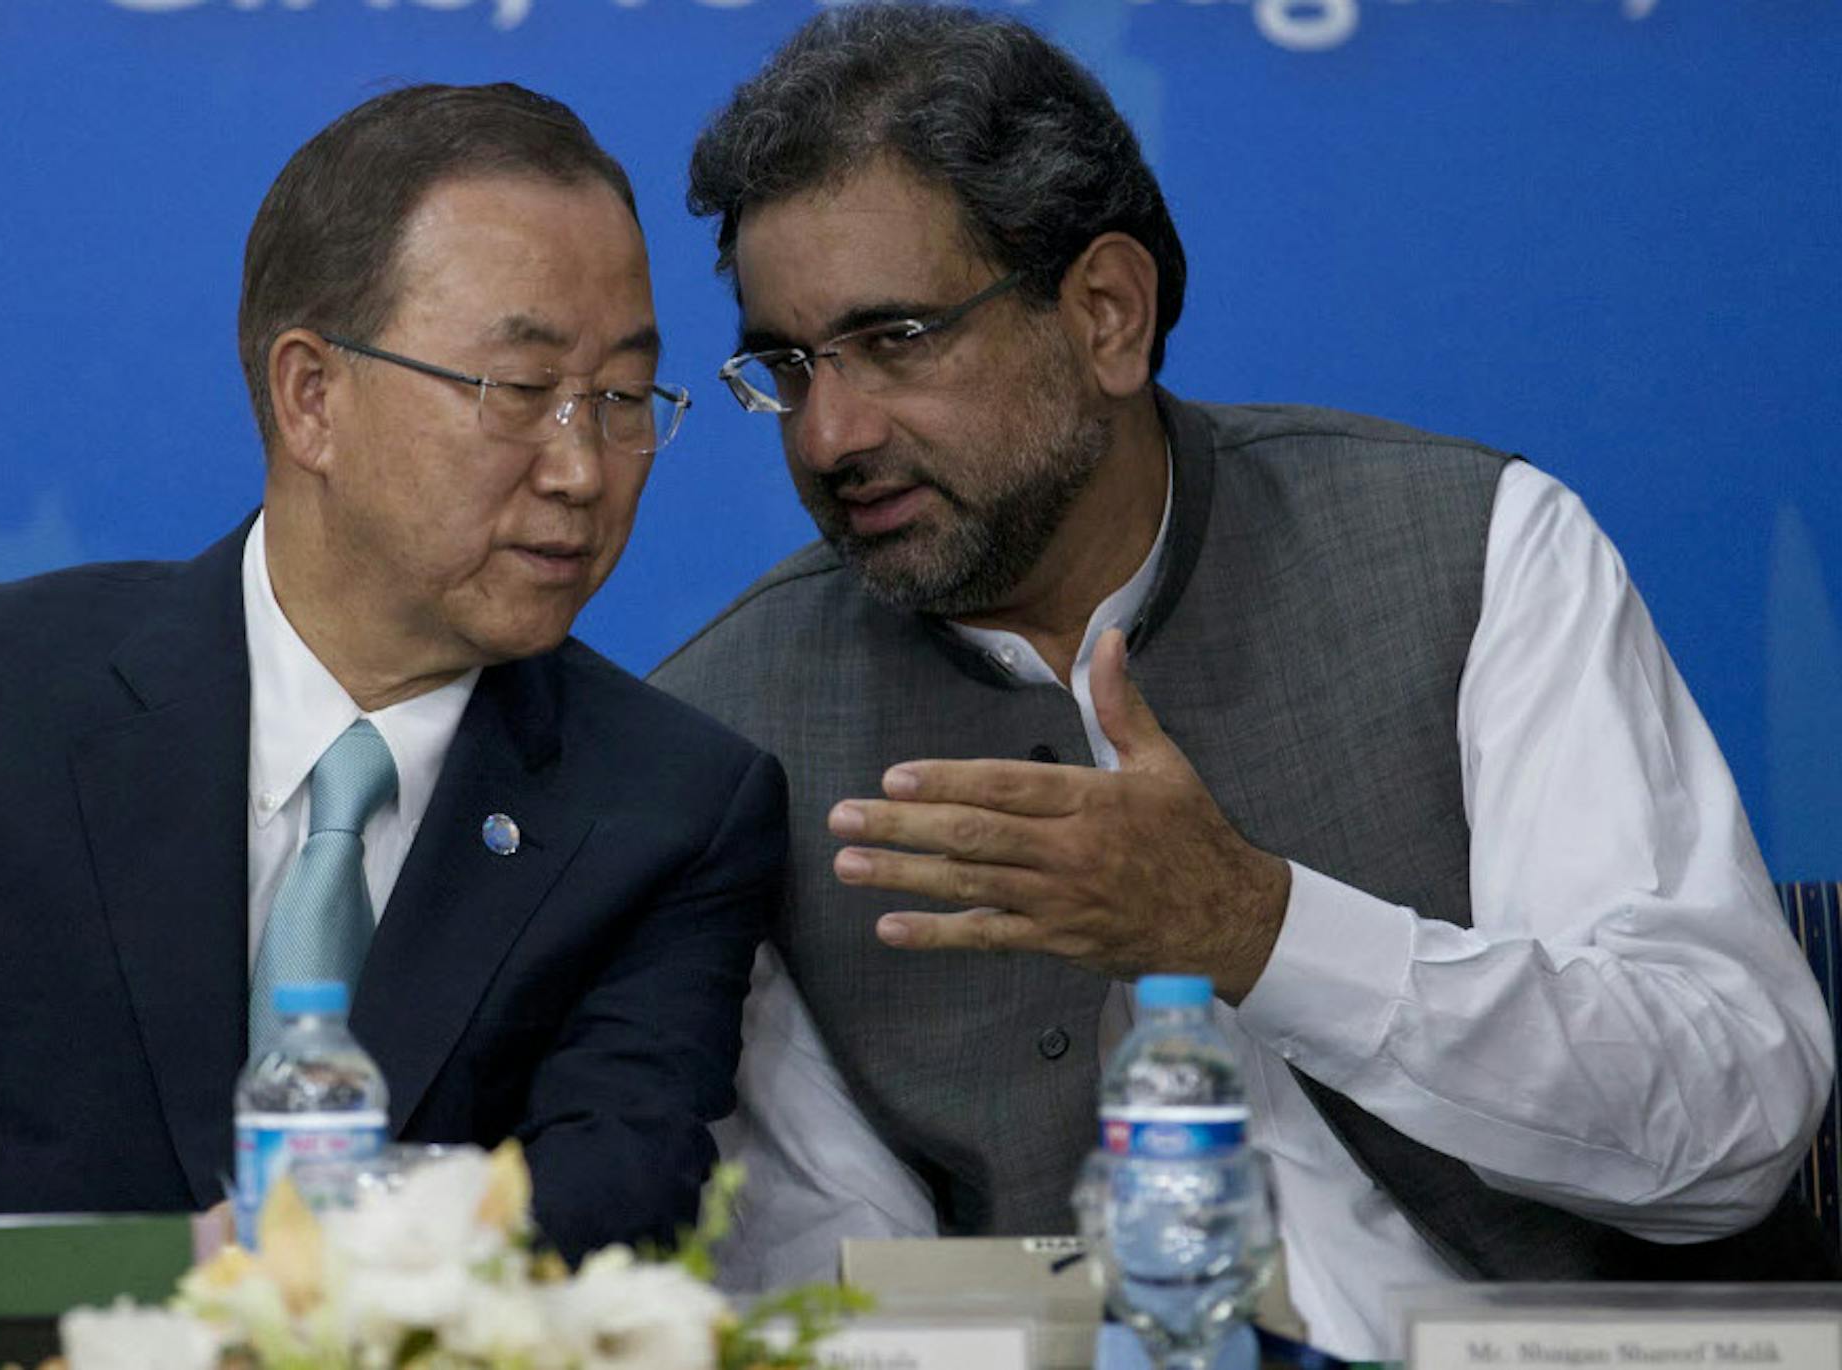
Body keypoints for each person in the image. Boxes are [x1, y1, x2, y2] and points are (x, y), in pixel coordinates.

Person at [649, 7, 1835, 1358]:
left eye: (900, 339)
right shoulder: (730, 725)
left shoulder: (1478, 548)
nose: (833, 432)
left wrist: (1261, 929)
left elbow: (1736, 1114)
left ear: (1105, 313)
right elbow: (824, 1259)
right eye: (790, 366)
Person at [0, 83, 785, 1300]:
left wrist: (288, 1287)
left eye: (625, 399)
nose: (583, 468)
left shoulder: (669, 808)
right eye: (519, 390)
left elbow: (613, 1196)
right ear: (311, 396)